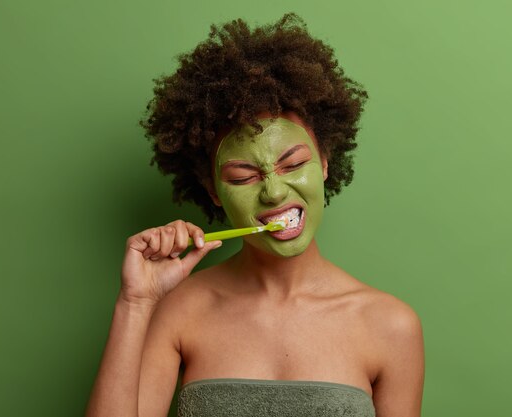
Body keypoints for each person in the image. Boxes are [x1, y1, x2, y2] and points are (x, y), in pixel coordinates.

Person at [86, 13, 424, 417]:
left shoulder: (390, 324)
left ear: (324, 162)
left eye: (293, 163)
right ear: (213, 190)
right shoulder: (179, 310)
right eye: (244, 175)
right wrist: (135, 303)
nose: (274, 191)